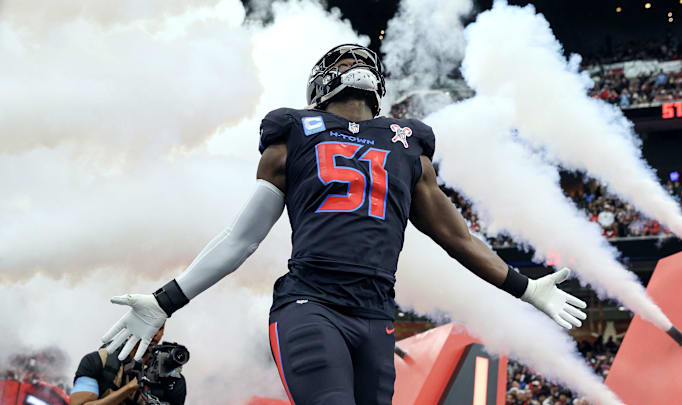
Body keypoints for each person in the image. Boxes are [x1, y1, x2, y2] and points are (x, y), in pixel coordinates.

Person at [100, 44, 587, 405]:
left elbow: (456, 237)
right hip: (311, 304)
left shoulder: (407, 146)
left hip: (375, 315)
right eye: (340, 59)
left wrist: (525, 287)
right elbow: (242, 238)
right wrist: (165, 300)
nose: (352, 60)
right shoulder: (293, 135)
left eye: (358, 58)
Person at [72, 323, 186, 405]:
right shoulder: (97, 361)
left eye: (160, 328)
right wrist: (131, 387)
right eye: (150, 326)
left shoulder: (172, 379)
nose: (155, 333)